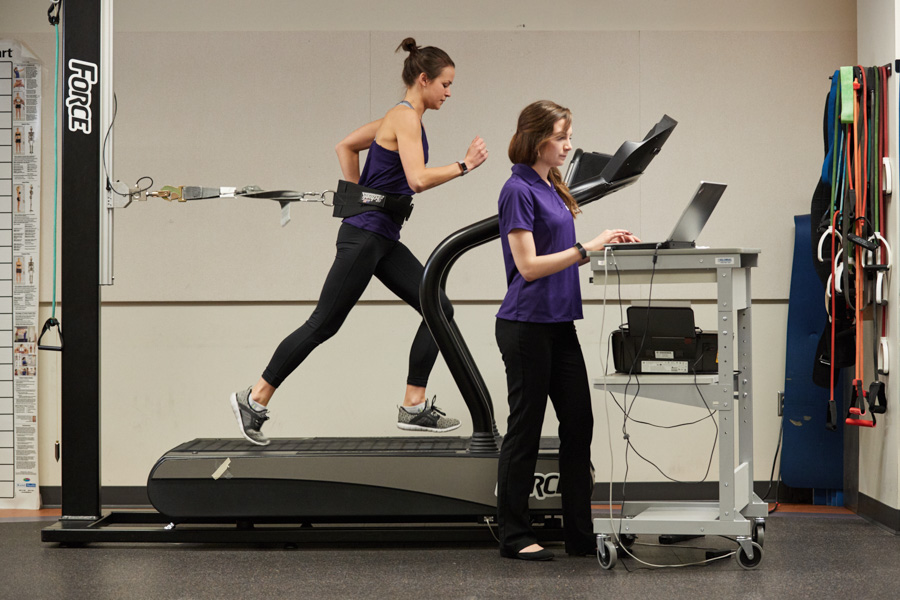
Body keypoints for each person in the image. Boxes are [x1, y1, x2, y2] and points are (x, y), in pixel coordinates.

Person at [230, 38, 489, 446]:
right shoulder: (404, 119)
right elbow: (418, 179)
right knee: (323, 324)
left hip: (381, 237)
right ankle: (254, 398)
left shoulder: (399, 118)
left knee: (439, 307)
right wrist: (464, 165)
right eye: (445, 84)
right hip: (366, 237)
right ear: (424, 79)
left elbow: (345, 144)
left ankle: (413, 405)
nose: (449, 92)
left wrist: (356, 194)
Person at [494, 100, 639, 560]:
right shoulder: (517, 189)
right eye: (561, 137)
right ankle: (514, 535)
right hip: (524, 326)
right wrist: (585, 249)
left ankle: (580, 534)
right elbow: (529, 266)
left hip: (558, 325)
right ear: (536, 139)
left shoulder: (551, 184)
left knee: (579, 423)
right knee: (526, 431)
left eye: (568, 135)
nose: (569, 145)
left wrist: (600, 246)